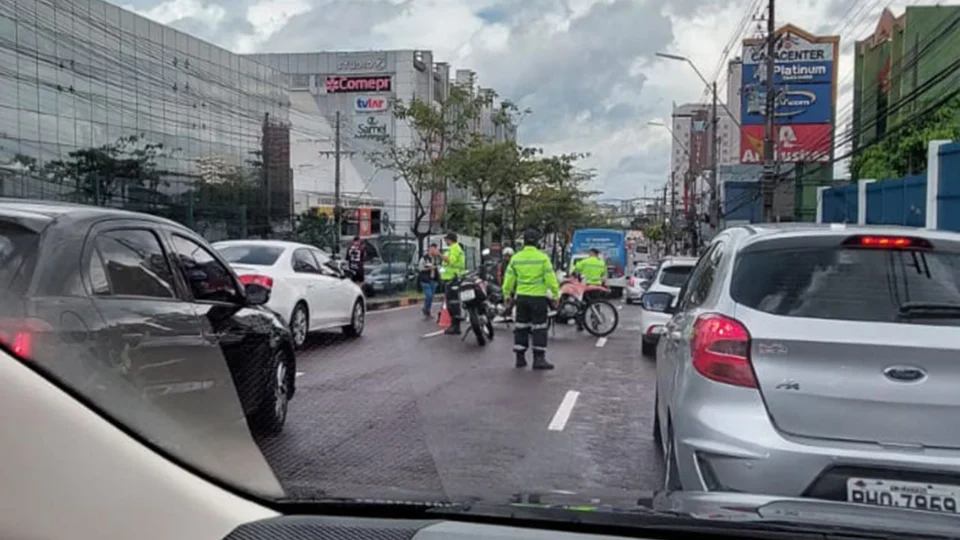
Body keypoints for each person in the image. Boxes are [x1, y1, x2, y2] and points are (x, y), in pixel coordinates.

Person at [502, 229, 559, 370]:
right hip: (538, 298)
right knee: (539, 328)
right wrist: (556, 295)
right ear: (537, 241)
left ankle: (520, 358)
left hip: (521, 297)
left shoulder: (516, 258)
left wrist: (507, 294)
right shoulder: (542, 258)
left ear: (524, 241)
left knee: (521, 327)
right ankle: (538, 359)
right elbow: (550, 278)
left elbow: (508, 279)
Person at [440, 232, 467, 335]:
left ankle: (456, 326)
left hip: (453, 279)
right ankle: (454, 325)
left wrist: (438, 254)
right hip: (450, 279)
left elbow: (450, 261)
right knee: (451, 303)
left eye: (446, 240)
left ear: (450, 239)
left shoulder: (455, 248)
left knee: (453, 303)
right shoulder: (451, 249)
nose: (445, 242)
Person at [418, 243, 440, 318]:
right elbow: (420, 268)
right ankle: (426, 309)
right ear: (431, 249)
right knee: (429, 295)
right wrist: (429, 268)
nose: (436, 251)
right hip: (425, 280)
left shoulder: (435, 258)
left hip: (433, 279)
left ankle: (427, 310)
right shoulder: (424, 258)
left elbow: (437, 267)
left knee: (431, 297)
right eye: (435, 249)